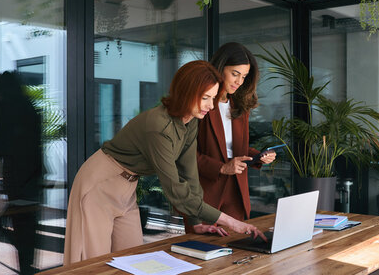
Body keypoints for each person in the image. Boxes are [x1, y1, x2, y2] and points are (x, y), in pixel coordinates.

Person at [63, 60, 266, 265]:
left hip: (128, 186)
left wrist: (196, 223)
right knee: (92, 264)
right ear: (185, 93)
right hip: (100, 184)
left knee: (132, 260)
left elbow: (189, 173)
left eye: (213, 98)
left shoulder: (192, 120)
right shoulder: (159, 127)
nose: (210, 106)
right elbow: (175, 190)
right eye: (205, 98)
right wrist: (231, 222)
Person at [185, 43, 276, 233]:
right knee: (203, 253)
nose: (239, 81)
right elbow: (184, 154)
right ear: (220, 68)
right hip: (206, 191)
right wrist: (221, 167)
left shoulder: (240, 106)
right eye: (235, 74)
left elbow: (236, 150)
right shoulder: (201, 103)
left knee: (237, 252)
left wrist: (259, 156)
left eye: (243, 76)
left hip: (236, 190)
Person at [0, 71, 43, 274]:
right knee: (29, 223)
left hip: (15, 173)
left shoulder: (2, 107)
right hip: (33, 172)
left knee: (14, 219)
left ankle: (25, 264)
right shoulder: (30, 107)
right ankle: (27, 265)